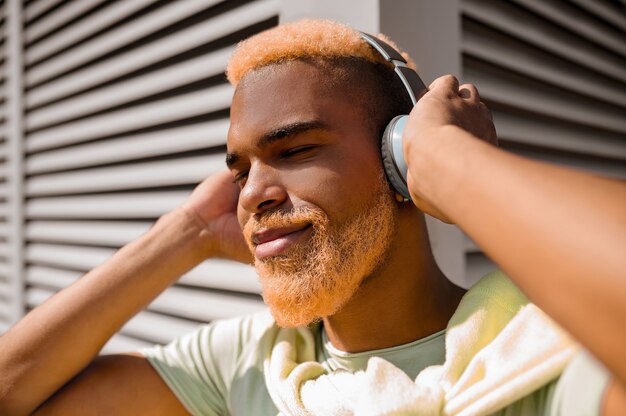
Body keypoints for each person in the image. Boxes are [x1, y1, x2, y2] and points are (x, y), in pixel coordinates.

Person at [0, 19, 624, 415]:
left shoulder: (539, 355)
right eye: (241, 170)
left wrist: (448, 161)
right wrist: (183, 233)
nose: (252, 195)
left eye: (294, 150)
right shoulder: (244, 367)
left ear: (399, 157)